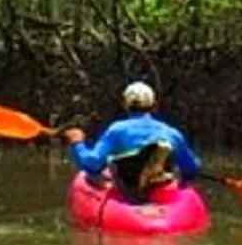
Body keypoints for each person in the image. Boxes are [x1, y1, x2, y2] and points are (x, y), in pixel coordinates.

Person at [66, 81, 201, 200]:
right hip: (160, 191)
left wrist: (78, 143)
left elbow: (92, 164)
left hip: (128, 191)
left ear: (125, 105)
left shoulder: (116, 130)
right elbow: (191, 169)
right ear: (154, 105)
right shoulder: (172, 133)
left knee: (89, 175)